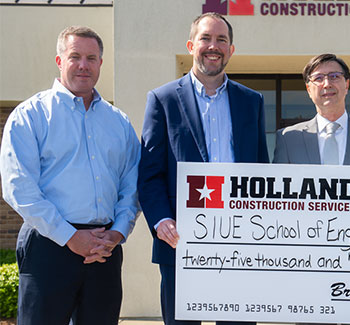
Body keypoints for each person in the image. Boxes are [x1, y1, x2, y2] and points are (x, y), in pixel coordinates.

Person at [0, 26, 140, 324]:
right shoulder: (30, 115)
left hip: (105, 249)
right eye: (74, 56)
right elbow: (18, 187)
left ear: (101, 63)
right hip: (48, 246)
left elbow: (132, 183)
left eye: (91, 58)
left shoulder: (119, 122)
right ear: (59, 60)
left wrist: (118, 231)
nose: (83, 65)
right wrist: (71, 237)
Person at [137, 12, 268, 325]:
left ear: (231, 49)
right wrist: (160, 220)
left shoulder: (252, 101)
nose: (214, 46)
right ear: (191, 45)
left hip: (239, 243)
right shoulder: (163, 99)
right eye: (206, 38)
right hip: (180, 241)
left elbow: (261, 168)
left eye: (221, 39)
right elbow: (150, 173)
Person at [273, 53, 350, 166]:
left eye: (334, 76)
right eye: (318, 78)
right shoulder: (288, 139)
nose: (327, 84)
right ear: (309, 89)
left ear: (346, 85)